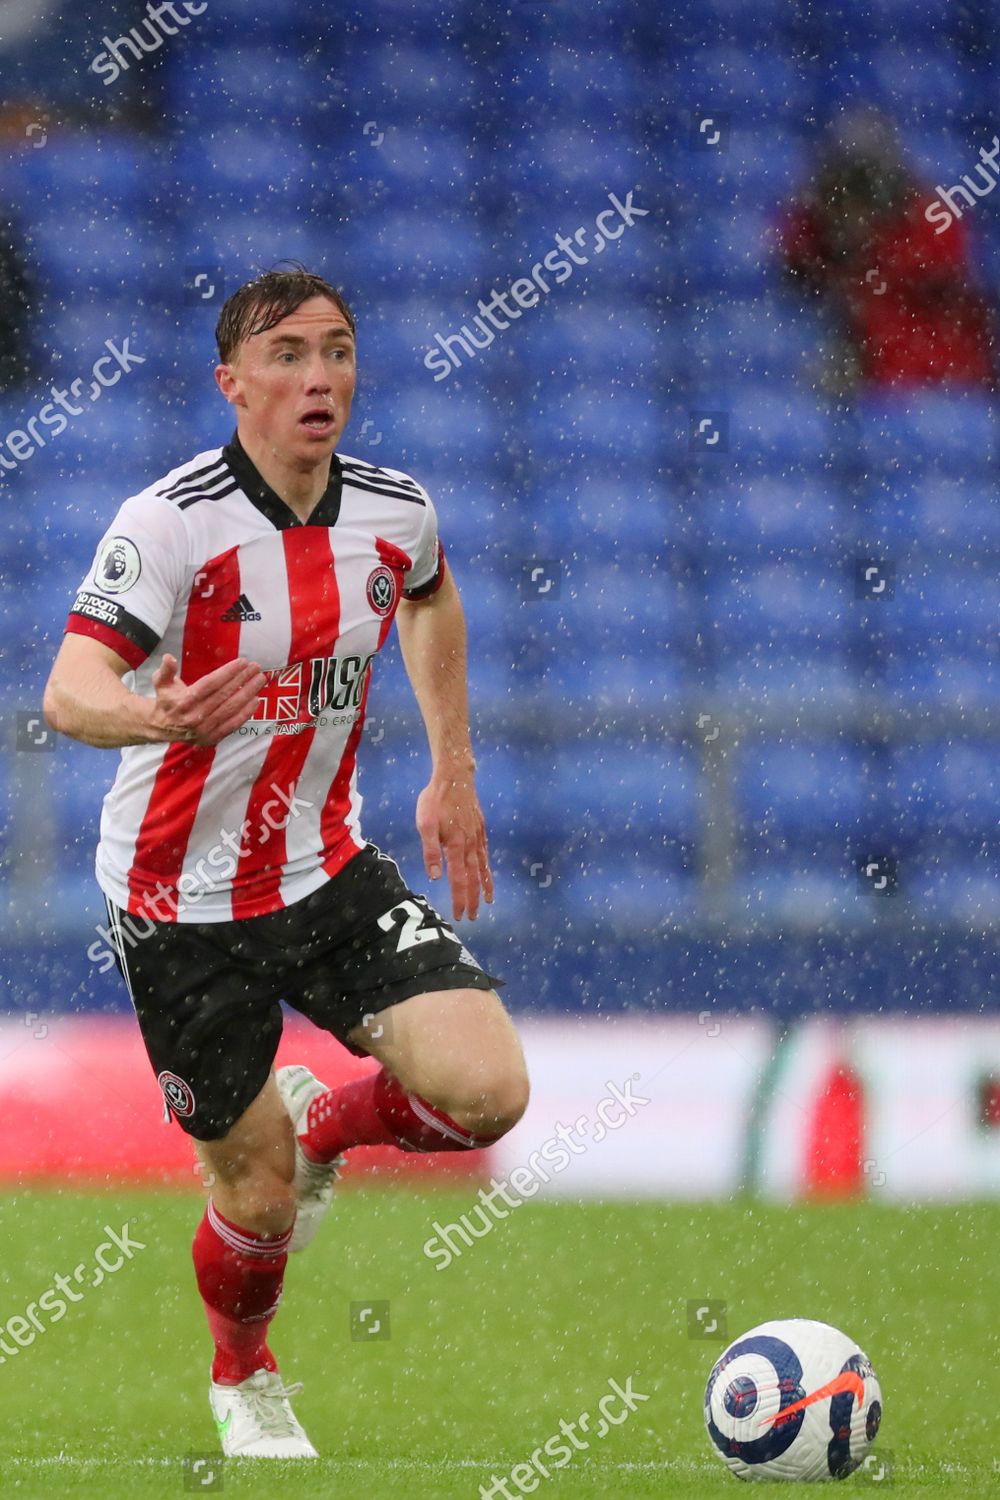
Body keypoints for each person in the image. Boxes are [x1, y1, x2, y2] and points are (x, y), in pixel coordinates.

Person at [42, 266, 530, 1459]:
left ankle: (330, 1127)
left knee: (489, 1094)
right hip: (176, 901)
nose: (321, 378)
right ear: (233, 385)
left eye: (339, 351)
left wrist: (450, 770)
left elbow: (430, 600)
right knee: (252, 1200)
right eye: (289, 356)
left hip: (322, 869)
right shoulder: (171, 524)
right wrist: (158, 718)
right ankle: (243, 1371)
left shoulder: (392, 510)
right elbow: (68, 691)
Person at [780, 107, 996, 393]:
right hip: (868, 375)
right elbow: (796, 275)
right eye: (845, 185)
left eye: (866, 185)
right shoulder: (811, 228)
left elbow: (939, 313)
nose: (857, 201)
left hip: (937, 379)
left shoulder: (932, 223)